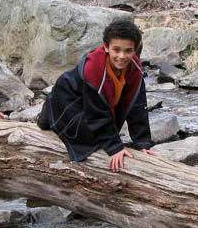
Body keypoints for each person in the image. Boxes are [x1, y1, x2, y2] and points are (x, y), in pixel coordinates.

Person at [38, 18, 155, 172]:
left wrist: (142, 144)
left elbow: (138, 107)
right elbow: (96, 114)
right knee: (88, 139)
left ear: (135, 50)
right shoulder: (93, 69)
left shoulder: (135, 70)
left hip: (92, 106)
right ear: (106, 47)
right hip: (68, 101)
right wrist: (114, 148)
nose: (122, 56)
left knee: (105, 132)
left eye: (128, 51)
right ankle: (49, 112)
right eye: (116, 50)